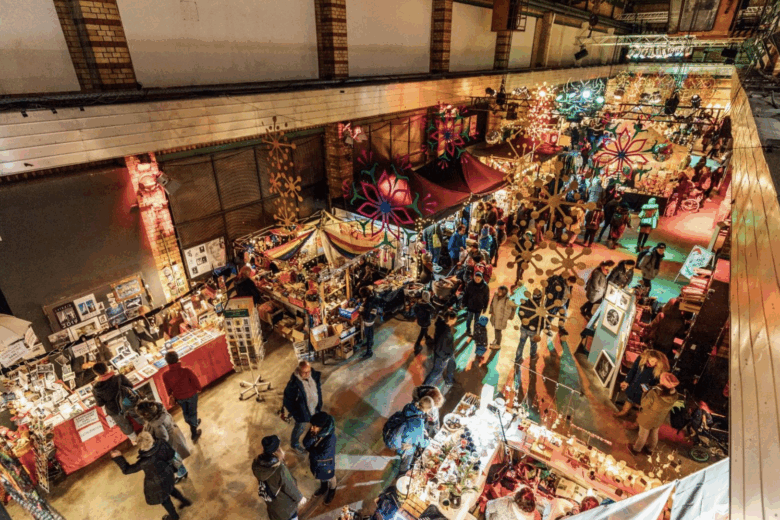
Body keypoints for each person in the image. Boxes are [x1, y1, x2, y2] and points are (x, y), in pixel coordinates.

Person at [110, 432, 192, 520]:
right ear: (151, 439)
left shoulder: (144, 461)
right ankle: (185, 501)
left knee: (165, 499)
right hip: (168, 473)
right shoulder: (162, 443)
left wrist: (118, 457)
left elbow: (127, 470)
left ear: (140, 446)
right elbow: (171, 454)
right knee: (171, 488)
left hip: (158, 484)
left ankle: (174, 516)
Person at [252, 435, 305, 520]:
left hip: (272, 504)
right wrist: (300, 498)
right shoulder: (280, 469)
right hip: (286, 508)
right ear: (277, 451)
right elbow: (290, 487)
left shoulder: (256, 464)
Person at [136, 401, 191, 480]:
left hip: (170, 444)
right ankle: (182, 472)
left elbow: (163, 439)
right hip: (174, 436)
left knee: (174, 459)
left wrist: (151, 443)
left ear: (146, 414)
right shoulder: (159, 411)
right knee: (176, 457)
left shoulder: (157, 425)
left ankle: (182, 473)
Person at [92, 362, 144, 444]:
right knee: (138, 415)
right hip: (127, 401)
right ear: (107, 368)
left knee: (124, 424)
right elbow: (130, 386)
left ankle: (135, 440)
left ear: (96, 373)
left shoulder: (96, 388)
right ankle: (150, 429)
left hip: (114, 409)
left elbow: (100, 403)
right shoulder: (119, 377)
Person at [629, 372, 680, 456]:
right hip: (659, 418)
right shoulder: (675, 395)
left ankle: (636, 449)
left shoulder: (654, 393)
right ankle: (649, 449)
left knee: (643, 435)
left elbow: (644, 404)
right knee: (654, 434)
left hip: (647, 417)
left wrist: (645, 392)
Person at [282, 361, 323, 454]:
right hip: (303, 413)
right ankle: (294, 444)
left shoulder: (313, 375)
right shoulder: (293, 384)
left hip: (315, 408)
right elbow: (288, 401)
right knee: (300, 428)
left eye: (309, 371)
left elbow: (318, 390)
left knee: (314, 425)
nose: (308, 374)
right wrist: (297, 414)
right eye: (305, 372)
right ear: (299, 371)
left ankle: (311, 440)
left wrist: (319, 403)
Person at [161, 351, 202, 443]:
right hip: (191, 395)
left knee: (186, 411)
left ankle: (192, 421)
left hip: (179, 397)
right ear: (177, 358)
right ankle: (194, 432)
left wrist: (171, 395)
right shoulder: (186, 370)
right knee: (193, 412)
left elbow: (168, 388)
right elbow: (195, 380)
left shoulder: (165, 375)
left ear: (167, 362)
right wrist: (199, 388)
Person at [614, 349, 668, 418]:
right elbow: (633, 370)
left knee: (643, 405)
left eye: (656, 362)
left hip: (647, 389)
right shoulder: (641, 359)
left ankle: (638, 420)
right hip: (635, 384)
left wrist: (648, 389)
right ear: (648, 358)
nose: (654, 364)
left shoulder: (659, 368)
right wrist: (626, 381)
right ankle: (624, 411)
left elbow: (658, 383)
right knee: (629, 399)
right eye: (652, 361)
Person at [302, 412, 337, 505]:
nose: (311, 428)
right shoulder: (314, 431)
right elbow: (305, 443)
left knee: (330, 478)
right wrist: (312, 437)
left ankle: (332, 490)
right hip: (316, 463)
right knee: (321, 476)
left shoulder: (331, 438)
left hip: (326, 464)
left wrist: (312, 451)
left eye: (315, 426)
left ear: (322, 427)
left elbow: (324, 455)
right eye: (312, 425)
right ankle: (323, 488)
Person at [395, 396, 433, 474]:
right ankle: (402, 473)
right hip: (405, 446)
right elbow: (421, 443)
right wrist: (428, 441)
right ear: (428, 409)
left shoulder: (409, 406)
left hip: (398, 435)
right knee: (406, 463)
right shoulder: (419, 422)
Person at [422, 311, 458, 386]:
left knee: (452, 364)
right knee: (436, 372)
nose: (456, 321)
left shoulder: (441, 324)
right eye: (455, 319)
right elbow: (440, 347)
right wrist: (445, 357)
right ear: (451, 320)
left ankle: (449, 380)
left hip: (448, 353)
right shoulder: (446, 333)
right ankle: (424, 386)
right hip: (443, 356)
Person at [516, 290, 544, 364]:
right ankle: (533, 356)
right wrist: (538, 332)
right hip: (533, 331)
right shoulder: (540, 309)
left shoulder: (524, 303)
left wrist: (523, 322)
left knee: (521, 343)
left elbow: (520, 313)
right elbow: (541, 322)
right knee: (533, 344)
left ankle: (518, 358)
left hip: (524, 328)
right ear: (540, 298)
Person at [462, 270, 490, 336]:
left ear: (481, 278)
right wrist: (463, 303)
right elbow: (465, 294)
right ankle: (468, 330)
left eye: (478, 279)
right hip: (470, 305)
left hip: (479, 306)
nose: (477, 280)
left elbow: (486, 297)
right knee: (469, 319)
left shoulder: (485, 286)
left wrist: (485, 307)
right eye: (476, 278)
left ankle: (475, 331)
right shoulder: (470, 284)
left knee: (476, 320)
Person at [412, 292, 435, 356]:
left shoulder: (418, 303)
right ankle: (417, 344)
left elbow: (414, 309)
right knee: (422, 332)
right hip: (425, 321)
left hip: (420, 320)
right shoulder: (427, 305)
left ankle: (427, 337)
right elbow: (433, 310)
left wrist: (417, 316)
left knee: (424, 329)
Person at [359, 286, 379, 357]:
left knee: (368, 335)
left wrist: (361, 311)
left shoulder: (368, 303)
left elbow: (366, 312)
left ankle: (369, 351)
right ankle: (371, 342)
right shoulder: (373, 296)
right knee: (371, 332)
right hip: (372, 318)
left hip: (368, 319)